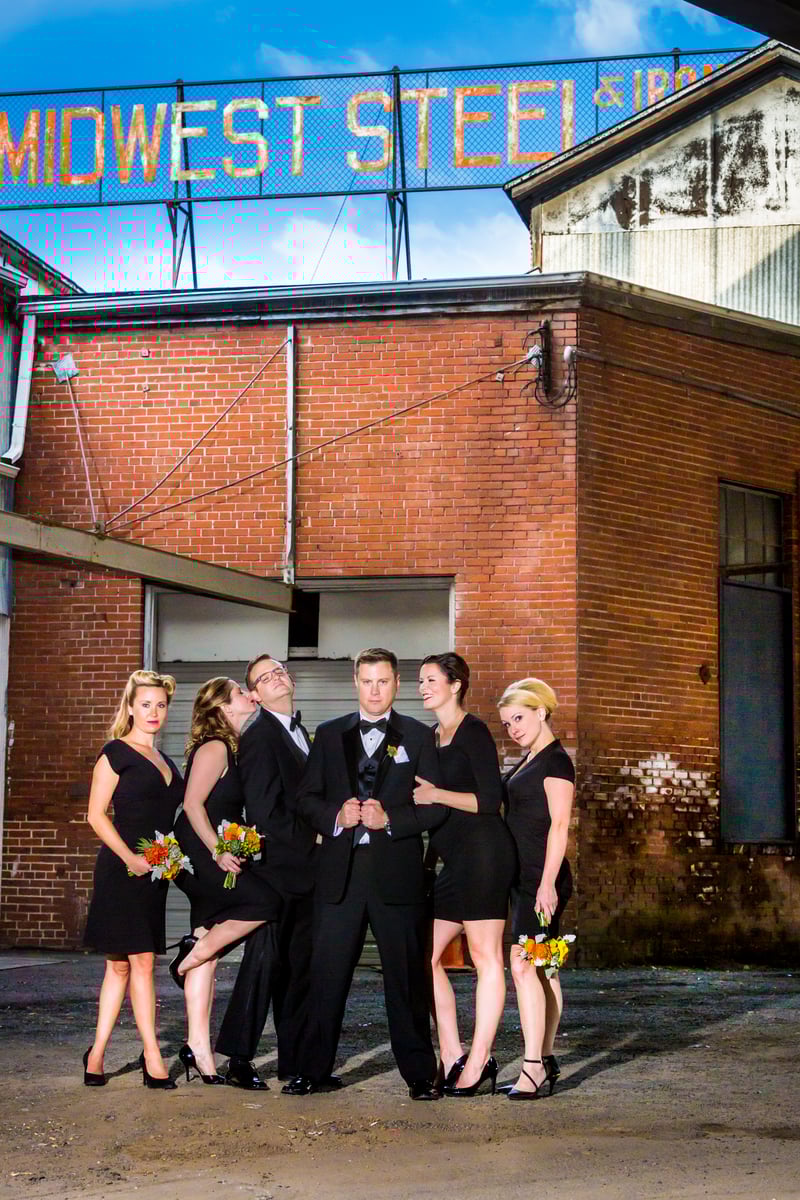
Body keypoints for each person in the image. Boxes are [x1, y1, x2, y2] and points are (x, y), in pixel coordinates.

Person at [284, 647, 447, 1100]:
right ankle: (312, 1070)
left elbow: (435, 807)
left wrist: (390, 819)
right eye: (367, 681)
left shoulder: (419, 736)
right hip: (339, 877)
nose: (375, 691)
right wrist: (335, 816)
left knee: (406, 978)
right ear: (356, 683)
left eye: (383, 681)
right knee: (326, 976)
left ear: (397, 684)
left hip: (397, 876)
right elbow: (305, 799)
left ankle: (419, 1074)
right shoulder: (328, 733)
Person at [214, 654, 320, 1090]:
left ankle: (295, 1063)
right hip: (278, 868)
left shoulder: (300, 732)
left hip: (306, 871)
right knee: (264, 962)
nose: (276, 678)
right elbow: (262, 810)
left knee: (297, 967)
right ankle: (238, 1058)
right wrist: (313, 839)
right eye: (264, 677)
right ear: (255, 695)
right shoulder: (259, 735)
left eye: (279, 670)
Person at [413, 653, 517, 1097]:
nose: (422, 687)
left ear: (456, 685)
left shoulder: (473, 731)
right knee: (425, 957)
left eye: (430, 680)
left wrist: (437, 794)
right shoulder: (430, 736)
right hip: (453, 861)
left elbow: (490, 801)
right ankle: (453, 1052)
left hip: (485, 854)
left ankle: (479, 1060)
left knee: (485, 956)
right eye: (420, 681)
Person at [170, 677, 283, 1085]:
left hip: (212, 849)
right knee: (266, 903)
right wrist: (218, 850)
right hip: (201, 851)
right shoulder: (216, 746)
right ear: (222, 707)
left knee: (208, 933)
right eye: (239, 693)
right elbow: (192, 804)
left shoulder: (231, 748)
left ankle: (199, 1050)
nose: (248, 696)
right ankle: (189, 957)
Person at [83, 670, 184, 1090]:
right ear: (130, 708)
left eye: (160, 705)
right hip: (121, 870)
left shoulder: (167, 761)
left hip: (154, 873)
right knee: (128, 963)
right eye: (145, 705)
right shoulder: (115, 753)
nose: (154, 712)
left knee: (132, 963)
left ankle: (103, 1053)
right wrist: (130, 858)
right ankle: (143, 1055)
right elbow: (95, 815)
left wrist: (171, 857)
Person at [497, 677, 575, 1100]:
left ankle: (532, 1068)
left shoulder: (556, 762)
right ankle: (544, 1059)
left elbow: (559, 826)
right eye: (507, 723)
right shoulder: (530, 759)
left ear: (541, 711)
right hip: (525, 879)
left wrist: (547, 884)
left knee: (524, 965)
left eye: (519, 718)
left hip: (540, 881)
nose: (513, 729)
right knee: (544, 969)